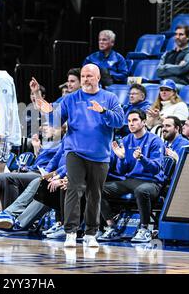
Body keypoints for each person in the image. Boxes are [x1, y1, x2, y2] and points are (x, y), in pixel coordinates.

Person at [35, 64, 124, 248]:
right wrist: (46, 109)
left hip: (100, 155)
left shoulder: (110, 98)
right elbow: (57, 120)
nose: (85, 79)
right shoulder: (71, 98)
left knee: (94, 194)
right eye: (83, 76)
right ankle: (70, 232)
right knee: (74, 189)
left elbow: (120, 121)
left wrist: (103, 111)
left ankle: (91, 233)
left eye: (89, 76)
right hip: (75, 151)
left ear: (98, 78)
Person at [98, 109, 165, 243]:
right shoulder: (126, 140)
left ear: (144, 122)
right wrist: (122, 158)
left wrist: (142, 159)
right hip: (130, 181)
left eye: (135, 120)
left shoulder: (155, 141)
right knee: (97, 189)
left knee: (141, 190)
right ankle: (112, 227)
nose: (131, 124)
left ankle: (144, 229)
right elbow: (122, 171)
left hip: (152, 182)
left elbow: (156, 169)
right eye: (129, 121)